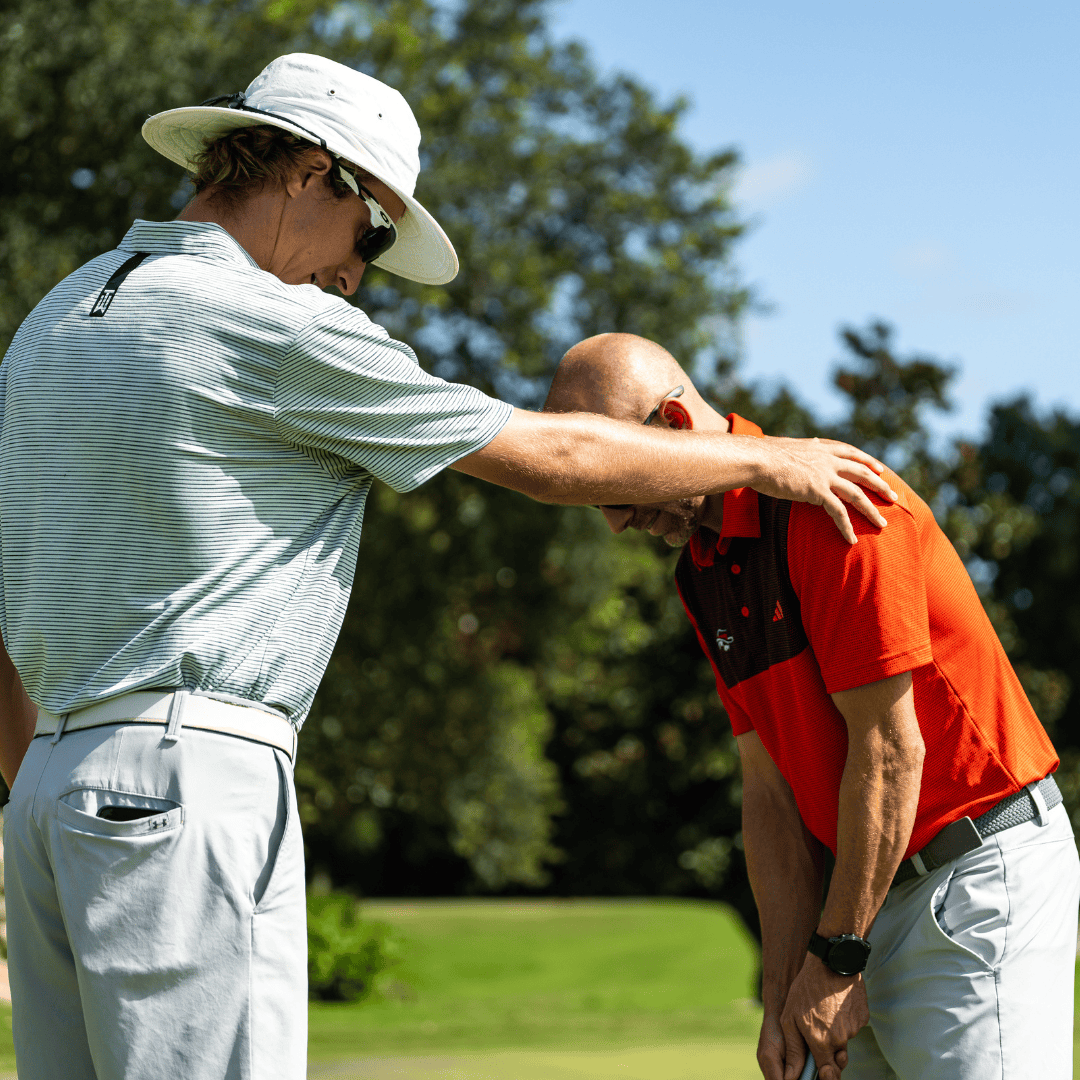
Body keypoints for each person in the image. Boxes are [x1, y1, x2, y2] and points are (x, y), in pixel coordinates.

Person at [0, 53, 895, 1080]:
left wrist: (44, 787)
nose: (358, 274)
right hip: (188, 773)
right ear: (309, 171)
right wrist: (765, 459)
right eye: (372, 230)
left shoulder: (52, 320)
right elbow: (553, 457)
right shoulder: (273, 323)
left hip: (45, 800)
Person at [543, 332, 1080, 1080]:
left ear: (674, 423)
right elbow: (771, 795)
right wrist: (780, 996)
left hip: (973, 883)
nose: (615, 522)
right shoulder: (700, 572)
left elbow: (891, 753)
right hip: (861, 901)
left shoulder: (832, 505)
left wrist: (836, 958)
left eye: (620, 487)